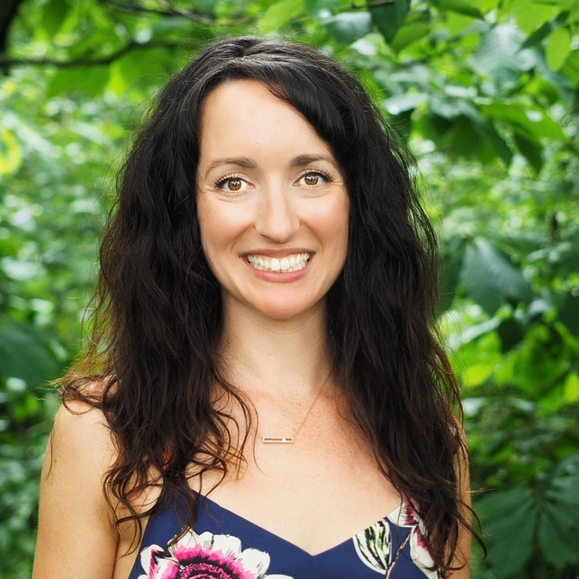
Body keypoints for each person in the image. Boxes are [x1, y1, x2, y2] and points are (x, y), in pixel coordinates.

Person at [33, 36, 479, 579]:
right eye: (233, 182)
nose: (277, 222)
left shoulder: (428, 434)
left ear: (357, 200)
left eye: (311, 176)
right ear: (185, 209)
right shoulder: (108, 432)